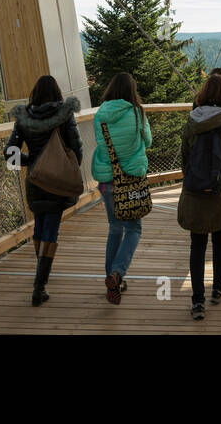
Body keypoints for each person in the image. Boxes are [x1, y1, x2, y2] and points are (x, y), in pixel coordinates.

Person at [3, 75, 83, 307]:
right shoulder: (64, 114)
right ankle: (39, 287)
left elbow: (10, 153)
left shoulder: (24, 117)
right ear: (56, 93)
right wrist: (65, 168)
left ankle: (41, 274)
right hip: (56, 180)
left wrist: (32, 162)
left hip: (35, 181)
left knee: (39, 225)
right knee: (51, 229)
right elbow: (76, 149)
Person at [178, 72, 221, 321]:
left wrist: (192, 182)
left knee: (197, 245)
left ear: (203, 94)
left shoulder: (192, 121)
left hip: (195, 193)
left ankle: (197, 302)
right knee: (220, 239)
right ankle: (218, 288)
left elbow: (185, 158)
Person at [91, 71, 152, 305]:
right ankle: (117, 273)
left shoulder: (101, 115)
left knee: (114, 228)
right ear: (131, 90)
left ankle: (111, 278)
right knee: (134, 229)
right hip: (132, 179)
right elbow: (147, 141)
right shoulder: (137, 112)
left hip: (108, 179)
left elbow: (100, 142)